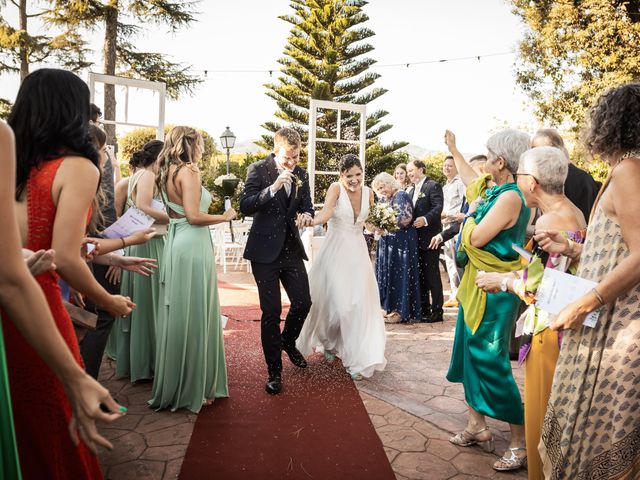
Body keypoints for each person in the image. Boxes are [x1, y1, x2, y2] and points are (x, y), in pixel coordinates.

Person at [5, 68, 134, 479]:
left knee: (18, 428)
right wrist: (109, 299)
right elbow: (64, 255)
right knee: (58, 420)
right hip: (36, 302)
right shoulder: (78, 167)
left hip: (7, 311)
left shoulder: (15, 165)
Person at [535, 83, 640, 480]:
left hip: (618, 326)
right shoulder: (622, 171)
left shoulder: (630, 170)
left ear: (610, 124)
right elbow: (617, 246)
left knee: (607, 429)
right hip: (603, 321)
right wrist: (575, 249)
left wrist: (586, 302)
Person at [474, 146, 586, 479]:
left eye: (520, 174)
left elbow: (540, 287)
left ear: (532, 182)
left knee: (541, 413)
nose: (517, 180)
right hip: (567, 327)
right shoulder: (573, 212)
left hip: (550, 330)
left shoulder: (550, 220)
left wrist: (501, 280)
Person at [444, 129, 531, 472]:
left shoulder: (510, 197)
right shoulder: (496, 189)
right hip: (476, 286)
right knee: (468, 356)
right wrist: (454, 148)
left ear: (501, 162)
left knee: (493, 366)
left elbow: (477, 238)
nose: (486, 159)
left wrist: (469, 216)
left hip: (495, 292)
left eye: (490, 154)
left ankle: (520, 444)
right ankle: (476, 426)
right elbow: (470, 178)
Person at [149, 126, 235, 412]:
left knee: (180, 313)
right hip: (193, 244)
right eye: (199, 143)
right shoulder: (190, 171)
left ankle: (178, 384)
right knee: (197, 312)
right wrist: (224, 216)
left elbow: (176, 214)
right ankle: (196, 387)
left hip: (177, 243)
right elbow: (194, 216)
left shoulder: (165, 172)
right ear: (192, 144)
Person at [297, 154, 387, 380]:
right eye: (349, 176)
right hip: (336, 252)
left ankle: (358, 355)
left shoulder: (369, 193)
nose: (355, 180)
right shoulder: (335, 188)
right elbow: (327, 214)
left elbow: (367, 222)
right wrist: (311, 221)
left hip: (357, 253)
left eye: (358, 174)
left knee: (358, 304)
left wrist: (382, 226)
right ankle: (328, 343)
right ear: (341, 175)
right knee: (336, 303)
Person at [240, 127, 314, 395]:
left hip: (291, 250)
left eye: (296, 157)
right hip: (264, 254)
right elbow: (245, 205)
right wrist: (272, 188)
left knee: (304, 302)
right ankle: (275, 372)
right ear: (276, 150)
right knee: (271, 312)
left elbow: (308, 206)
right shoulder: (258, 170)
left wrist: (306, 214)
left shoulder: (302, 174)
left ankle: (288, 341)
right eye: (287, 158)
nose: (292, 163)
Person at [111, 139, 167, 382]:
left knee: (150, 305)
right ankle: (144, 363)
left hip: (150, 243)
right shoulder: (143, 177)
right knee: (145, 305)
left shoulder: (154, 180)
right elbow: (121, 219)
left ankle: (146, 360)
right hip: (144, 246)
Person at [373, 172, 422, 324]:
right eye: (378, 188)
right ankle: (389, 307)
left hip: (402, 242)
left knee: (399, 273)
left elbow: (405, 219)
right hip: (389, 241)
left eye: (383, 186)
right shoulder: (384, 198)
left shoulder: (401, 196)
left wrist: (385, 227)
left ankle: (400, 311)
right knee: (388, 273)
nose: (382, 190)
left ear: (390, 183)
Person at [531, 128, 600, 222]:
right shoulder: (551, 177)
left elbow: (583, 227)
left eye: (540, 151)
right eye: (532, 150)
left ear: (556, 151)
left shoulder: (580, 180)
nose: (534, 156)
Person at [406, 159, 444, 322]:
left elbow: (438, 207)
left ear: (421, 169)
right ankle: (424, 309)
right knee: (420, 274)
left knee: (432, 275)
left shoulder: (432, 185)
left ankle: (437, 311)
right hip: (415, 239)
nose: (409, 174)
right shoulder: (410, 191)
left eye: (411, 170)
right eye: (407, 171)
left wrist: (425, 219)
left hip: (431, 238)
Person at [441, 156, 466, 308]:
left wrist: (449, 216)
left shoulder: (460, 184)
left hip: (456, 227)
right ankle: (454, 293)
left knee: (458, 261)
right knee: (449, 262)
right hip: (446, 226)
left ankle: (461, 294)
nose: (447, 168)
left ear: (456, 167)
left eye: (450, 165)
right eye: (444, 166)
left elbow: (464, 205)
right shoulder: (445, 186)